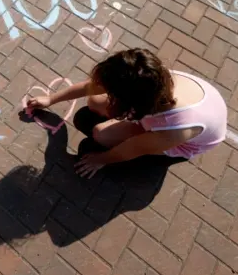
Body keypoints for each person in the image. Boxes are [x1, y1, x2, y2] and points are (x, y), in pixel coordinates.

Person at [26, 48, 227, 178]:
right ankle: (125, 126)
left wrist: (101, 160)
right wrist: (52, 99)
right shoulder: (147, 77)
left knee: (101, 134)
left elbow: (131, 150)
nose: (105, 91)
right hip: (159, 113)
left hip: (179, 139)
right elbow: (92, 88)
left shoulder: (174, 131)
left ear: (130, 103)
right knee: (94, 102)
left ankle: (148, 166)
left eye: (113, 94)